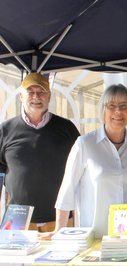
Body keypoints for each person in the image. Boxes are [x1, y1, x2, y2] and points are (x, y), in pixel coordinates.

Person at [40, 84, 127, 238]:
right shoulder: (84, 144)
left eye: (124, 106)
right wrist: (58, 230)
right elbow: (67, 189)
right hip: (94, 237)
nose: (118, 111)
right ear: (103, 109)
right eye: (112, 106)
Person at [0, 73, 80, 232]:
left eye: (42, 92)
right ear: (21, 96)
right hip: (16, 223)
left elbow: (81, 172)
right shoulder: (5, 130)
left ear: (49, 96)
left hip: (59, 222)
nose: (36, 96)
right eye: (30, 92)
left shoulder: (67, 128)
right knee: (15, 259)